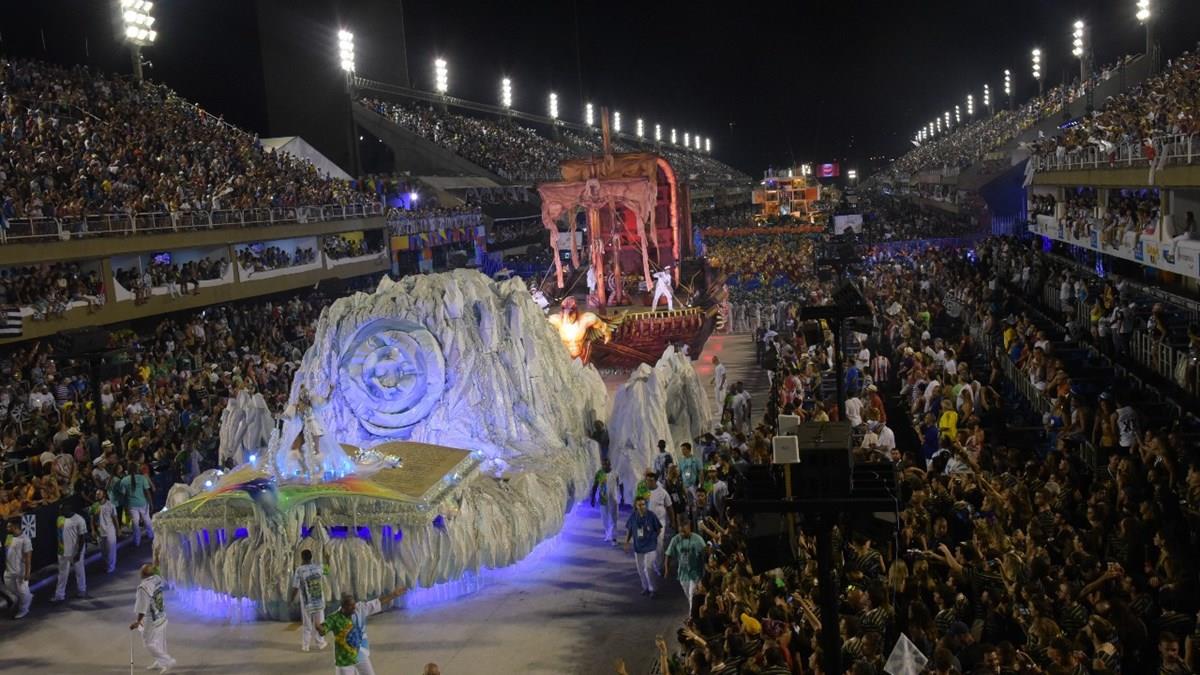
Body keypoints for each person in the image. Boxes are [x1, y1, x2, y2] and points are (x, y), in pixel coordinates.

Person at [317, 587, 407, 675]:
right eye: (351, 605)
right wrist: (317, 625)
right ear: (343, 607)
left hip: (361, 654)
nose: (354, 607)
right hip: (344, 661)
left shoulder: (360, 609)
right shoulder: (334, 618)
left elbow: (378, 602)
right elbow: (322, 631)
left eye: (354, 604)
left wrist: (393, 595)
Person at [130, 564, 175, 673]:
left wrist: (138, 621)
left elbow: (142, 606)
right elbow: (157, 568)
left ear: (143, 574)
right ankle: (160, 662)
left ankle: (167, 661)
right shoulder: (157, 578)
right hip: (161, 614)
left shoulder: (143, 587)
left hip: (152, 619)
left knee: (148, 642)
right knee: (160, 640)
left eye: (141, 570)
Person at [663, 519, 707, 611]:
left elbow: (705, 554)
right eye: (680, 531)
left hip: (696, 573)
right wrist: (667, 569)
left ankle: (691, 618)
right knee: (688, 595)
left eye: (684, 531)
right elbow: (668, 554)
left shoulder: (698, 539)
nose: (682, 533)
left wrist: (704, 573)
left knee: (692, 595)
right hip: (683, 574)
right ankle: (694, 610)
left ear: (689, 528)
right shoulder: (676, 539)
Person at [289, 549, 328, 652]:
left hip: (307, 602)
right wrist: (327, 558)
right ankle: (321, 643)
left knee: (307, 624)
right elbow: (327, 570)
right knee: (320, 623)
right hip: (319, 600)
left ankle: (305, 646)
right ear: (311, 557)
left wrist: (291, 599)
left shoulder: (299, 570)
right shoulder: (318, 567)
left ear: (302, 557)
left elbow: (295, 587)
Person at [624, 497, 662, 598]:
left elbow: (659, 529)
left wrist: (653, 538)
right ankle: (645, 587)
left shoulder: (651, 515)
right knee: (640, 569)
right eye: (639, 505)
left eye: (643, 504)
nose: (641, 507)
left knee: (648, 568)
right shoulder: (633, 516)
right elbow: (629, 529)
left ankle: (653, 589)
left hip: (650, 547)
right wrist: (627, 542)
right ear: (636, 506)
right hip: (638, 547)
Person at [52, 501, 88, 602]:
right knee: (62, 574)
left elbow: (82, 538)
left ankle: (82, 589)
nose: (59, 511)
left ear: (67, 509)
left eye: (61, 509)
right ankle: (59, 595)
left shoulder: (79, 520)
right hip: (62, 551)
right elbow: (59, 534)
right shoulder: (59, 519)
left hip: (74, 551)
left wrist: (79, 553)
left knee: (79, 571)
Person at [120, 462, 155, 546]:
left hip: (131, 505)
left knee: (135, 524)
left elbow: (123, 496)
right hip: (143, 503)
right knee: (147, 520)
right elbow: (147, 492)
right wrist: (151, 503)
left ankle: (137, 541)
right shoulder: (142, 478)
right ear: (136, 469)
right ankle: (151, 536)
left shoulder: (124, 480)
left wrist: (125, 507)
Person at [3, 518, 32, 618]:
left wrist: (27, 573)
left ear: (15, 527)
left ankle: (24, 609)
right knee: (11, 588)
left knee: (23, 591)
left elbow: (28, 558)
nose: (7, 528)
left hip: (20, 571)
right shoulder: (9, 537)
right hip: (8, 570)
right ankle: (28, 597)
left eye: (9, 526)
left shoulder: (25, 540)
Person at [589, 458, 621, 545]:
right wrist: (592, 498)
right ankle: (608, 533)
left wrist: (620, 497)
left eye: (607, 464)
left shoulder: (615, 473)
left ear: (610, 464)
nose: (605, 466)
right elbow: (595, 486)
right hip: (603, 499)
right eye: (603, 464)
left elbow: (619, 485)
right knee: (604, 518)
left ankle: (614, 538)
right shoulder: (599, 473)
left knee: (614, 519)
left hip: (613, 499)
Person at [89, 488, 119, 573]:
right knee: (104, 551)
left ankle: (111, 567)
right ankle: (108, 564)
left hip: (110, 531)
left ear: (104, 495)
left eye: (99, 494)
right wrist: (93, 530)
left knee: (111, 550)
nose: (97, 495)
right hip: (100, 532)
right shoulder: (94, 506)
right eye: (96, 494)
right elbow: (92, 519)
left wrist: (118, 529)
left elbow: (115, 518)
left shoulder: (110, 505)